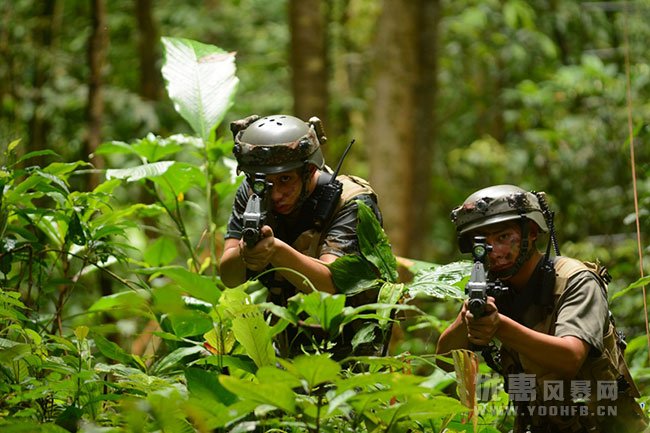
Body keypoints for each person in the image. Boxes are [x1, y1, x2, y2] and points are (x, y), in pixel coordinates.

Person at [436, 184, 648, 433]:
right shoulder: (493, 289)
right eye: (482, 242)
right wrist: (467, 318)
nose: (494, 252)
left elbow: (570, 357)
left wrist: (500, 326)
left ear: (532, 233)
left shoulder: (575, 280)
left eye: (503, 237)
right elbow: (445, 362)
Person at [219, 114, 384, 358]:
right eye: (264, 181)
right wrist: (246, 253)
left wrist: (276, 250)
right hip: (286, 343)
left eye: (285, 179)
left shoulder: (350, 201)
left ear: (309, 170)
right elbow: (228, 276)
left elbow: (330, 286)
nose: (275, 195)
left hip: (354, 347)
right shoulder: (254, 192)